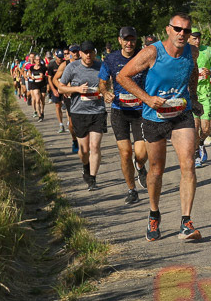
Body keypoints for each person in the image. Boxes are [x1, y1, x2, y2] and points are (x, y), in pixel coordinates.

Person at [117, 13, 203, 241]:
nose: (182, 34)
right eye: (177, 29)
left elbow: (193, 71)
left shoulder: (192, 52)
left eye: (186, 30)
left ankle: (186, 222)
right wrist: (147, 99)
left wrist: (193, 97)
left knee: (188, 164)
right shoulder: (152, 52)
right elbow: (123, 77)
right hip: (154, 116)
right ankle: (154, 213)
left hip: (181, 113)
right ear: (168, 29)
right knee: (156, 170)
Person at [99, 26, 149, 205]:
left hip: (140, 111)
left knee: (141, 153)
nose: (129, 43)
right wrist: (105, 93)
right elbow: (102, 83)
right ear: (119, 40)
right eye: (126, 40)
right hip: (119, 110)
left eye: (132, 39)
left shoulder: (144, 56)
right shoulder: (111, 59)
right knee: (126, 152)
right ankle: (131, 190)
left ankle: (140, 166)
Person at [58, 41, 105, 191]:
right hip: (79, 112)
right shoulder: (72, 67)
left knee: (95, 146)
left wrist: (106, 91)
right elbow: (60, 88)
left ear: (94, 53)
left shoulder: (101, 66)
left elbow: (108, 84)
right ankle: (86, 167)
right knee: (84, 151)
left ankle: (93, 179)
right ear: (81, 53)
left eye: (91, 52)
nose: (88, 55)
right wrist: (77, 89)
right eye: (85, 52)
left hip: (98, 111)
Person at [189, 29, 211, 168]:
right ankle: (196, 154)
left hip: (206, 93)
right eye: (194, 38)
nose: (197, 41)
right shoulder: (184, 52)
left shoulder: (208, 50)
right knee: (195, 127)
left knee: (206, 128)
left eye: (199, 38)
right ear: (188, 38)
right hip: (192, 94)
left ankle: (201, 143)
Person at [47, 49, 67, 133]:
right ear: (55, 56)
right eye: (59, 57)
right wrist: (53, 90)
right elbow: (49, 78)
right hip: (55, 87)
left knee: (68, 105)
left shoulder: (66, 64)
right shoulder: (51, 65)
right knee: (58, 105)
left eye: (61, 57)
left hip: (65, 87)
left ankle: (70, 123)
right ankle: (61, 124)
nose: (60, 59)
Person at [25, 52, 48, 121]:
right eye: (37, 60)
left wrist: (43, 76)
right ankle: (39, 115)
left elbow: (47, 74)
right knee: (37, 100)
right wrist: (31, 76)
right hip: (35, 84)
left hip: (42, 84)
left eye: (39, 60)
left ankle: (42, 111)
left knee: (42, 100)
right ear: (34, 60)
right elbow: (29, 73)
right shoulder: (32, 67)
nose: (38, 61)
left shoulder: (43, 67)